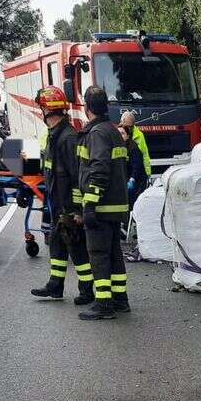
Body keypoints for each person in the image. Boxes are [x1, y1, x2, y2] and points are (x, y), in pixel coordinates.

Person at [29, 86, 94, 305]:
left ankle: (87, 291)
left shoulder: (67, 138)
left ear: (46, 110)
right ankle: (55, 286)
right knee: (57, 243)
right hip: (56, 205)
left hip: (68, 206)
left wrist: (76, 210)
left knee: (77, 248)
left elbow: (78, 178)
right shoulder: (54, 136)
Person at [77, 86, 131, 320]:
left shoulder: (97, 133)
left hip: (101, 205)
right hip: (116, 205)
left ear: (87, 108)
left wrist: (90, 204)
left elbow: (98, 170)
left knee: (98, 254)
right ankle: (120, 300)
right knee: (114, 254)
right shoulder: (112, 131)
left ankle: (103, 304)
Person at [117, 123, 148, 210]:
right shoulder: (118, 147)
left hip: (136, 182)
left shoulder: (132, 148)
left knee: (133, 206)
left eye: (122, 133)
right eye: (118, 133)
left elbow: (137, 166)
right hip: (125, 181)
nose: (120, 136)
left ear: (127, 136)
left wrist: (132, 179)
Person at [119, 111, 151, 177]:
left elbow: (145, 155)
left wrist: (148, 173)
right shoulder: (117, 133)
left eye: (131, 126)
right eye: (127, 126)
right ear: (121, 122)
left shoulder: (139, 135)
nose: (129, 129)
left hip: (135, 171)